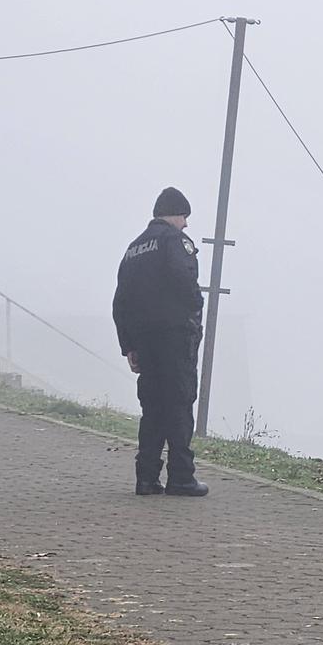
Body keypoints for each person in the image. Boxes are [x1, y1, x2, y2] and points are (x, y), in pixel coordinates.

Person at [112, 187, 209, 497]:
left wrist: (129, 345)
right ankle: (181, 477)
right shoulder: (175, 241)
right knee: (179, 403)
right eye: (184, 217)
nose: (186, 224)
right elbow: (185, 281)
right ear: (174, 215)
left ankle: (146, 477)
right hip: (175, 338)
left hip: (145, 342)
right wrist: (196, 309)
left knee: (152, 408)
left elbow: (121, 301)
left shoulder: (134, 248)